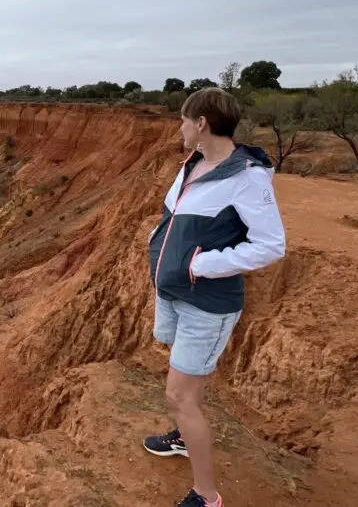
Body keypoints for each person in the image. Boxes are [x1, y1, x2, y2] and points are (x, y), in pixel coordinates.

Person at [144, 87, 287, 507]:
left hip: (207, 302)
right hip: (174, 292)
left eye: (184, 120)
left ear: (202, 123)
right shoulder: (193, 165)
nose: (180, 127)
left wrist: (199, 265)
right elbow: (175, 220)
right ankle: (184, 438)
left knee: (179, 395)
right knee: (185, 383)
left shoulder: (246, 178)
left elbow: (270, 245)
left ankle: (206, 496)